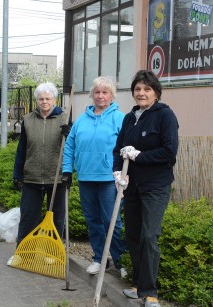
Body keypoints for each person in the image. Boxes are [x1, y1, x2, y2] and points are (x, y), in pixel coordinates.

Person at [114, 70, 178, 307]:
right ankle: (139, 284)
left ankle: (150, 292)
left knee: (149, 236)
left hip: (155, 186)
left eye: (147, 89)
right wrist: (117, 172)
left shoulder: (165, 116)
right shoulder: (129, 118)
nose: (141, 93)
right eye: (138, 89)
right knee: (133, 235)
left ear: (156, 93)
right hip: (132, 186)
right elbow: (118, 148)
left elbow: (169, 152)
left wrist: (139, 155)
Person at [61, 76, 127, 278]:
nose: (101, 96)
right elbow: (70, 146)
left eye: (105, 92)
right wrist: (67, 170)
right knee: (93, 220)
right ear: (92, 95)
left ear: (111, 95)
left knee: (112, 220)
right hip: (86, 177)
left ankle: (121, 261)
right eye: (97, 92)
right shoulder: (82, 119)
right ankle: (99, 258)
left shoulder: (120, 118)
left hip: (109, 178)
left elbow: (126, 147)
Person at [8, 82, 70, 266]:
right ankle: (22, 252)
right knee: (28, 217)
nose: (44, 102)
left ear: (54, 100)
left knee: (57, 217)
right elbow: (22, 149)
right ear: (36, 101)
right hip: (32, 176)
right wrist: (17, 174)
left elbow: (72, 148)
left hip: (56, 177)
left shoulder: (65, 119)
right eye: (41, 99)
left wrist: (70, 132)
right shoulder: (28, 119)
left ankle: (52, 252)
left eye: (48, 98)